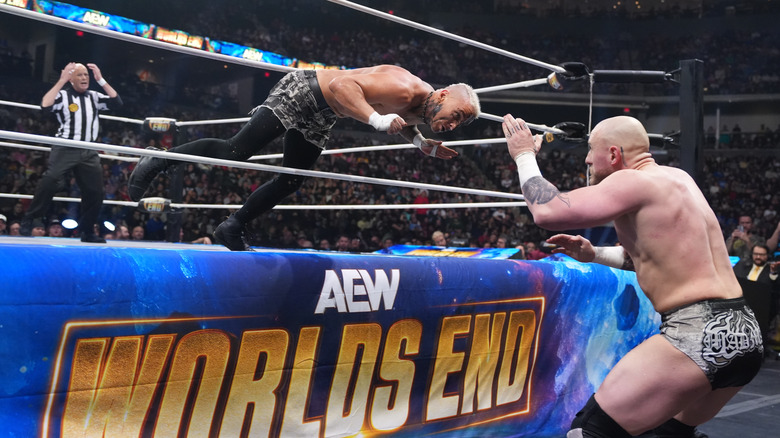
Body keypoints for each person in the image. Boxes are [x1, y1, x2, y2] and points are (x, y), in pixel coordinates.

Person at [502, 114, 763, 438]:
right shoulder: (678, 179)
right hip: (746, 331)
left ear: (613, 154)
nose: (586, 159)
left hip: (698, 333)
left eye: (590, 150)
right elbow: (655, 256)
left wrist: (523, 155)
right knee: (668, 433)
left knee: (589, 432)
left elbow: (548, 211)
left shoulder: (631, 181)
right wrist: (593, 254)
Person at [128, 65, 480, 251]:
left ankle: (233, 226)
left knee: (292, 178)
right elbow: (343, 86)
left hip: (324, 113)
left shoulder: (424, 109)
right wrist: (375, 119)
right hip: (304, 90)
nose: (453, 123)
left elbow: (399, 122)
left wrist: (420, 142)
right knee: (237, 151)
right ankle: (158, 158)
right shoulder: (406, 88)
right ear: (445, 94)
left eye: (461, 122)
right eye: (457, 113)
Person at [20, 62, 122, 243]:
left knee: (96, 192)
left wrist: (100, 79)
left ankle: (87, 231)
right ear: (71, 79)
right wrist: (61, 81)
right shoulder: (63, 95)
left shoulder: (94, 96)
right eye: (80, 75)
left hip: (88, 150)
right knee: (51, 180)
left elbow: (117, 103)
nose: (84, 78)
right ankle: (30, 219)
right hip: (65, 146)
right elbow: (45, 106)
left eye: (86, 75)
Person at [733, 244, 780, 356]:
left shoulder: (772, 269)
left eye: (761, 255)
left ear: (767, 256)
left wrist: (773, 273)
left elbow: (775, 289)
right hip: (742, 304)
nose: (758, 257)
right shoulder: (742, 266)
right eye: (756, 254)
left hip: (763, 308)